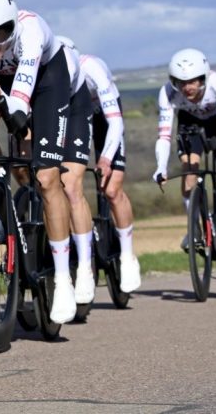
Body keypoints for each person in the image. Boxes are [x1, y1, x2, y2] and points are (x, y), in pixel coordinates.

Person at [0, 0, 82, 323]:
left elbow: (19, 108)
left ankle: (63, 277)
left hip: (45, 80)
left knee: (48, 178)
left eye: (0, 34)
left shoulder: (30, 32)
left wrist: (2, 100)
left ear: (14, 26)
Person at [56, 37, 142, 293]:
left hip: (105, 116)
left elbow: (115, 122)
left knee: (112, 189)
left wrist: (105, 157)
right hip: (75, 115)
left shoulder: (91, 69)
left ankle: (127, 256)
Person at [153, 48, 216, 265]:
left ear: (203, 78)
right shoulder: (168, 93)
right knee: (189, 173)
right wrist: (161, 166)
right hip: (190, 124)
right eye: (180, 82)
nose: (187, 87)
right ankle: (194, 227)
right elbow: (164, 136)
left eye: (193, 81)